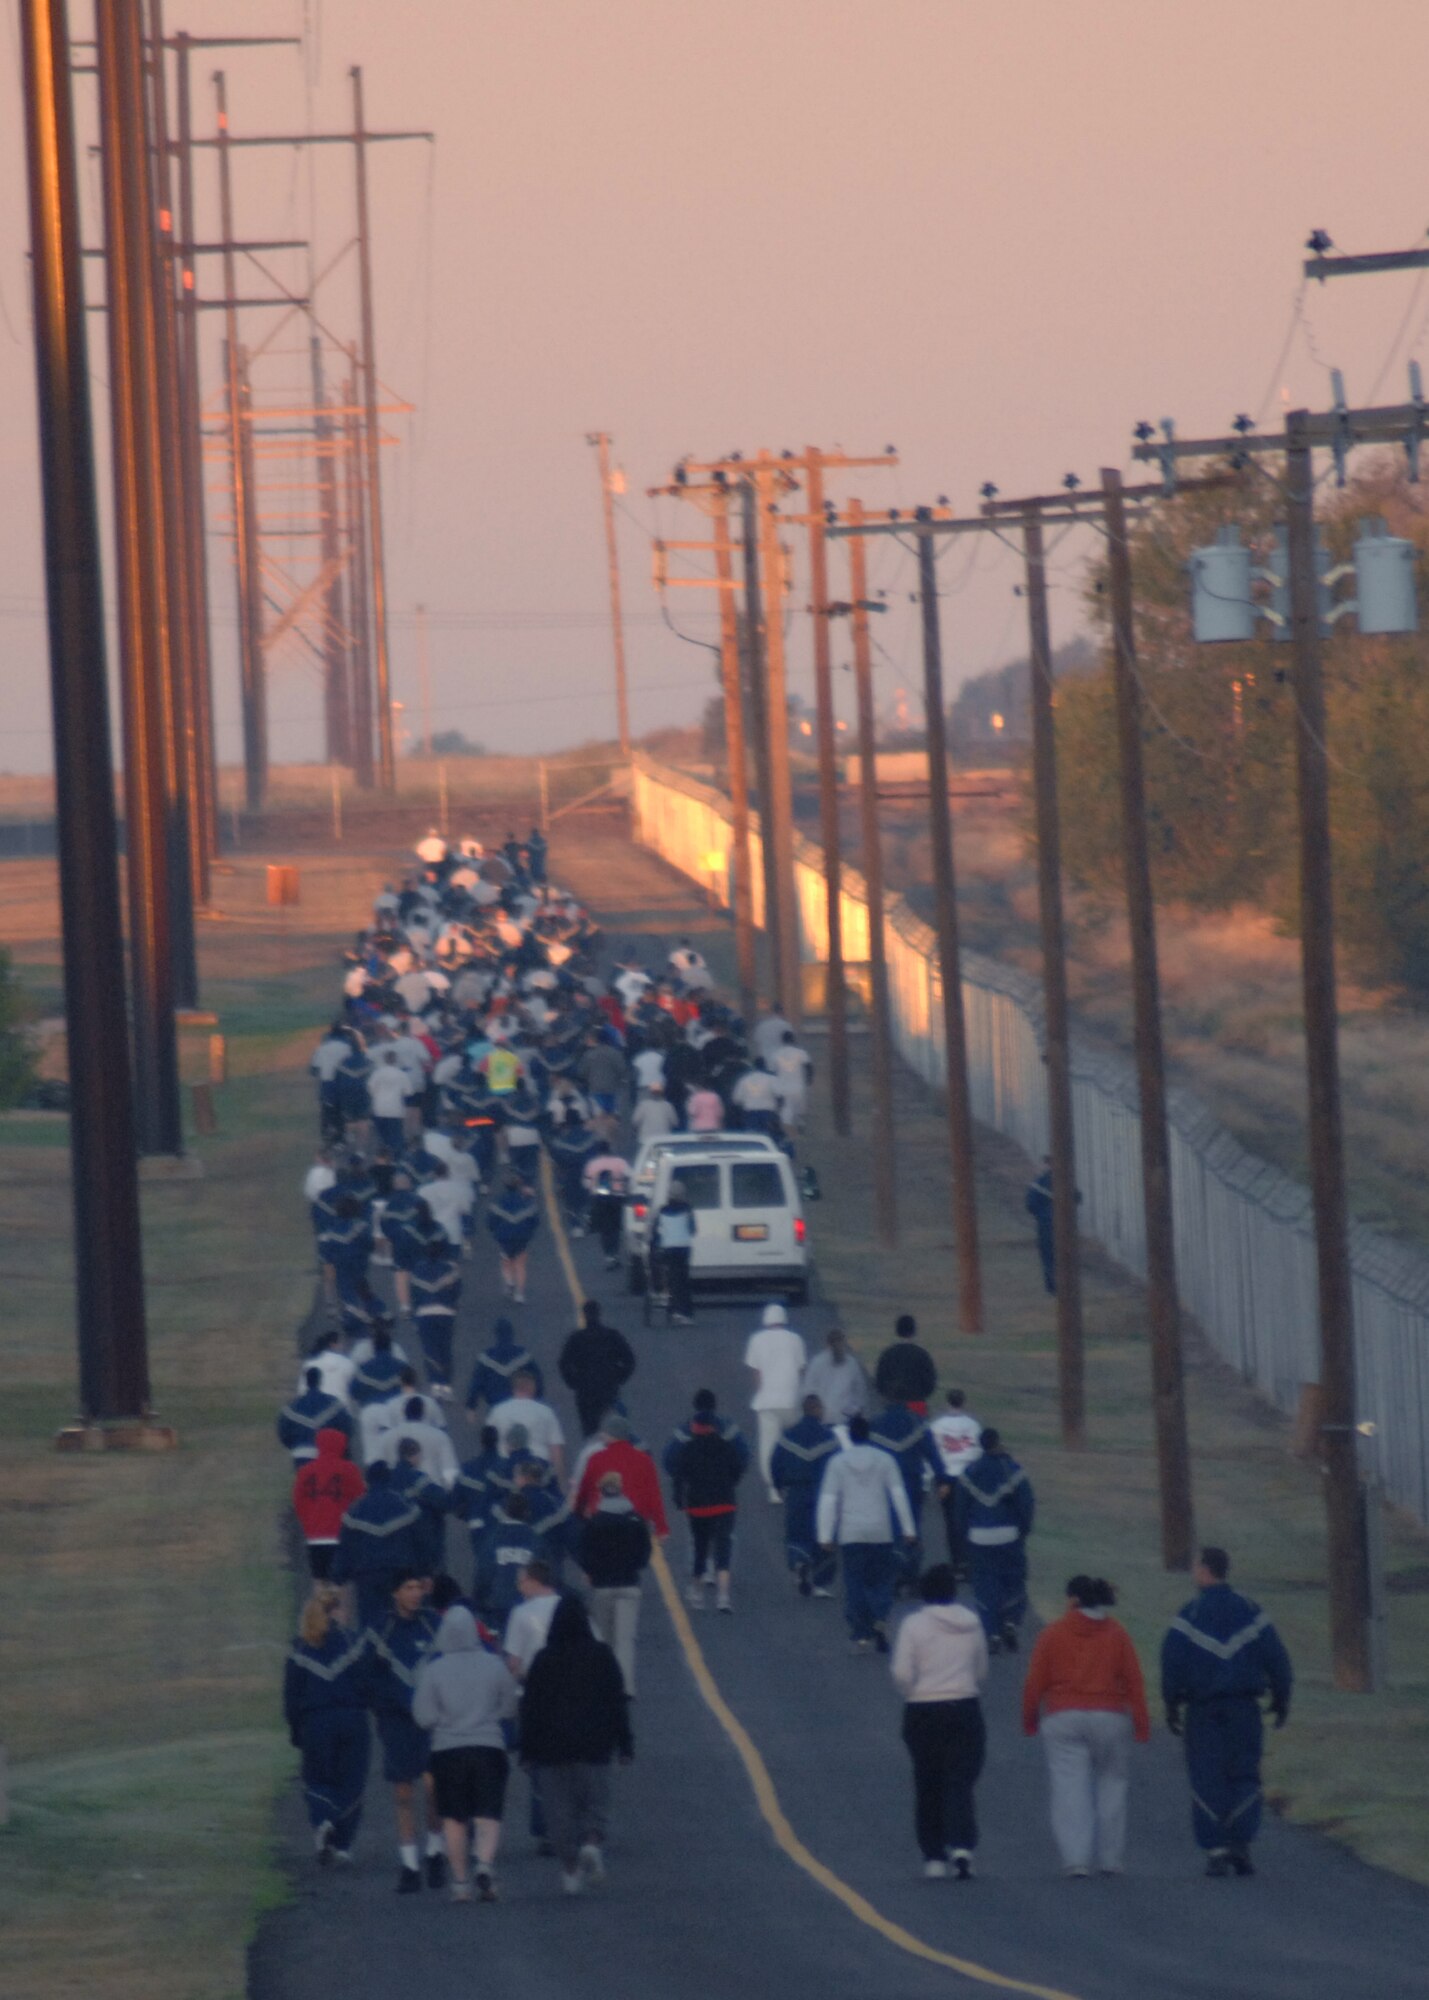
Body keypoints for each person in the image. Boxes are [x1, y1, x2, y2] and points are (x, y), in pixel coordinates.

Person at [1161, 1546, 1292, 1878]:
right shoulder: (1251, 1611)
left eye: (1195, 1566)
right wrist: (1282, 1697)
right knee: (1245, 1774)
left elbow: (1172, 1662)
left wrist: (1171, 1703)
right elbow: (1277, 1658)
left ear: (1205, 1570)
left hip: (1204, 1710)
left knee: (1207, 1776)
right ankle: (1240, 1843)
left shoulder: (1189, 1614)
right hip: (1244, 1708)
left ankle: (1216, 1848)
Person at [1022, 1575, 1151, 1879]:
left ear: (1073, 1601)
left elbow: (1035, 1682)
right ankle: (1110, 1858)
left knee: (1070, 1787)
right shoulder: (1117, 1634)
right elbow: (1134, 1680)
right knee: (1112, 1785)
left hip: (1063, 1716)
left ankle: (1076, 1858)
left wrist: (1030, 1718)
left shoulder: (1053, 1634)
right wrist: (1141, 1724)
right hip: (1109, 1716)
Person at [519, 1596, 634, 1895]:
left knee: (559, 1812)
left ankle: (569, 1869)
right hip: (595, 1746)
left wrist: (527, 1750)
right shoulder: (602, 1655)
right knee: (595, 1803)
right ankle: (592, 1843)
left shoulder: (543, 1660)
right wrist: (625, 1744)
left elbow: (531, 1708)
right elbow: (616, 1701)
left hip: (551, 1750)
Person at [412, 1604, 520, 1902]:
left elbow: (422, 1716)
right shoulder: (494, 1664)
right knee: (488, 1814)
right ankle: (484, 1864)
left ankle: (460, 1883)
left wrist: (444, 1722)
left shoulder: (434, 1670)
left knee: (454, 1819)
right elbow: (510, 1706)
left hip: (447, 1751)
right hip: (488, 1747)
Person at [891, 1564, 989, 1880]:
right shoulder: (972, 1624)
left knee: (928, 1781)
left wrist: (913, 1692)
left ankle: (933, 1856)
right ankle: (962, 1845)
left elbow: (902, 1672)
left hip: (923, 1710)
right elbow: (981, 1668)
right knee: (960, 1779)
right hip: (964, 1706)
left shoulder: (913, 1625)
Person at [366, 1572, 448, 1893]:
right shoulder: (380, 1629)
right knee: (402, 1794)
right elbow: (368, 1675)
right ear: (395, 1593)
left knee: (433, 1790)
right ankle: (409, 1864)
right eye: (408, 1588)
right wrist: (383, 1706)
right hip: (397, 1723)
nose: (415, 1594)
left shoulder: (434, 1625)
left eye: (418, 1588)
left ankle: (435, 1851)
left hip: (432, 1722)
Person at [283, 1584, 370, 1867]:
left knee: (317, 1780)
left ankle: (323, 1821)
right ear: (336, 1611)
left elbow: (291, 1697)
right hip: (352, 1720)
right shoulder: (353, 1641)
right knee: (351, 1782)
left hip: (315, 1723)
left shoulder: (298, 1649)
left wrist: (296, 1731)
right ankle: (343, 1845)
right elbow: (365, 1683)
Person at [816, 1412, 916, 1652]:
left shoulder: (838, 1462)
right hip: (880, 1531)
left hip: (851, 1533)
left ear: (849, 1436)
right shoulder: (885, 1460)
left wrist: (825, 1535)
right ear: (869, 1435)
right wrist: (908, 1529)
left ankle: (860, 1632)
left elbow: (829, 1499)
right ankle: (880, 1617)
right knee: (881, 1581)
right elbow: (898, 1495)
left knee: (855, 1582)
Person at [955, 1429, 1035, 1654]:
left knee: (984, 1585)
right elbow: (1026, 1503)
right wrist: (1023, 1530)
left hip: (978, 1537)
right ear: (998, 1443)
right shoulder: (1013, 1470)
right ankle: (1011, 1620)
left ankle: (992, 1633)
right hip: (1009, 1534)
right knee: (1013, 1580)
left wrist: (964, 1536)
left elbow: (960, 1510)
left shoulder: (969, 1473)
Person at [667, 1388, 747, 1612]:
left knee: (700, 1546)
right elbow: (740, 1464)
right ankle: (723, 1597)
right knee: (724, 1544)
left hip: (698, 1505)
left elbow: (675, 1468)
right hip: (725, 1501)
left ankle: (697, 1593)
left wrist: (679, 1498)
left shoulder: (687, 1444)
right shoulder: (727, 1439)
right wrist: (730, 1484)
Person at [578, 1471, 653, 1694]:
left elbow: (585, 1554)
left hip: (602, 1587)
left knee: (603, 1640)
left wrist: (592, 1571)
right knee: (625, 1639)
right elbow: (645, 1552)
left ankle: (604, 1685)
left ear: (601, 1493)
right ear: (621, 1490)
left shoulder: (594, 1523)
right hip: (629, 1584)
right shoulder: (635, 1520)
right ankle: (626, 1686)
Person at [331, 1459, 424, 1631]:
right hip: (400, 1576)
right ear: (389, 1479)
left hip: (367, 1579)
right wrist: (425, 1573)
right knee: (401, 1624)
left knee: (370, 1627)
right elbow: (420, 1542)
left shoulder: (355, 1511)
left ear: (366, 1481)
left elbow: (345, 1550)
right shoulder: (406, 1507)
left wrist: (339, 1579)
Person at [770, 1396, 839, 1597]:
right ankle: (820, 1582)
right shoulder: (829, 1437)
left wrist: (778, 1485)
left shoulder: (788, 1436)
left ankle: (799, 1561)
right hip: (823, 1492)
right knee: (824, 1534)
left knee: (797, 1531)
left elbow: (776, 1462)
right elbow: (839, 1464)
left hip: (797, 1491)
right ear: (817, 1409)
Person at [743, 1303, 809, 1503]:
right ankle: (797, 1480)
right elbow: (801, 1369)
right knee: (795, 1442)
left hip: (767, 1402)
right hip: (792, 1400)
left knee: (769, 1445)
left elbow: (756, 1372)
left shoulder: (756, 1340)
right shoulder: (795, 1339)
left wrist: (762, 1391)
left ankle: (774, 1489)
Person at [574, 1414, 670, 1537]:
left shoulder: (596, 1459)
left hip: (603, 1521)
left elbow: (585, 1491)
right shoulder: (644, 1460)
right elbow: (654, 1495)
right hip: (636, 1523)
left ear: (610, 1435)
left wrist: (579, 1513)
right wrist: (661, 1527)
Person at [292, 1427, 366, 1579]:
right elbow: (361, 1500)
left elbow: (298, 1501)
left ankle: (320, 1602)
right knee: (342, 1582)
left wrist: (308, 1523)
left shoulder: (305, 1471)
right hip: (342, 1535)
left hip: (315, 1536)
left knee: (320, 1580)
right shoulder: (349, 1469)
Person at [559, 1299, 637, 1438]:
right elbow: (629, 1360)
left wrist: (573, 1382)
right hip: (609, 1389)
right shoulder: (612, 1336)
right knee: (610, 1427)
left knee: (589, 1430)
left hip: (585, 1391)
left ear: (583, 1315)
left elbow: (564, 1364)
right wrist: (619, 1378)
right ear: (599, 1314)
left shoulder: (576, 1338)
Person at [930, 1389, 982, 1572]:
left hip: (947, 1478)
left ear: (947, 1402)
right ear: (963, 1402)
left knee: (950, 1521)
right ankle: (969, 1560)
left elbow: (933, 1454)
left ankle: (956, 1561)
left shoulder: (937, 1426)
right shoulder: (973, 1425)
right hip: (968, 1477)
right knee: (968, 1519)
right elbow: (978, 1452)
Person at [487, 1370, 567, 1484]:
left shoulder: (497, 1411)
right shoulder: (546, 1412)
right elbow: (556, 1450)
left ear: (514, 1388)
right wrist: (560, 1480)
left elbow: (489, 1442)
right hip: (539, 1469)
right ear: (532, 1387)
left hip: (505, 1468)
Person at [465, 1317, 544, 1419]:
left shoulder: (486, 1357)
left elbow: (476, 1383)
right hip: (520, 1405)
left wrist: (471, 1406)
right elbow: (537, 1378)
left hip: (495, 1407)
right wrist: (538, 1399)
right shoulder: (523, 1355)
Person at [278, 1366, 355, 1466]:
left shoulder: (292, 1407)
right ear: (320, 1380)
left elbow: (283, 1431)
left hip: (301, 1454)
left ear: (306, 1381)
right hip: (329, 1454)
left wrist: (295, 1446)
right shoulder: (334, 1404)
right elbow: (346, 1427)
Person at [486, 1170, 539, 1303]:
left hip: (504, 1238)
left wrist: (495, 1232)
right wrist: (529, 1233)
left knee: (506, 1262)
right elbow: (535, 1220)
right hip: (522, 1237)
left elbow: (490, 1222)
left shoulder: (498, 1202)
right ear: (518, 1185)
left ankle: (510, 1283)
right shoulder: (526, 1202)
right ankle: (520, 1293)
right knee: (520, 1264)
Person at [801, 1327, 871, 1427]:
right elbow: (860, 1394)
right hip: (828, 1420)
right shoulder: (818, 1363)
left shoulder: (851, 1364)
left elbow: (860, 1393)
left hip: (839, 1419)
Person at [651, 1179, 696, 1323]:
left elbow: (656, 1232)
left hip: (666, 1250)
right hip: (683, 1250)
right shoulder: (687, 1209)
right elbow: (693, 1229)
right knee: (682, 1280)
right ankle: (682, 1311)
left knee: (670, 1277)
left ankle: (664, 1297)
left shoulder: (662, 1210)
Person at [874, 1313, 937, 1414]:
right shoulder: (922, 1355)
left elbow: (879, 1382)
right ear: (913, 1331)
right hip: (917, 1405)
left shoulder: (888, 1354)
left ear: (897, 1331)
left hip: (892, 1403)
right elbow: (930, 1383)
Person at [770, 1030, 814, 1134]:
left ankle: (787, 1129)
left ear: (782, 1040)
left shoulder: (776, 1054)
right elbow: (809, 1067)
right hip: (798, 1086)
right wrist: (809, 1080)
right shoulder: (800, 1053)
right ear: (793, 1039)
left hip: (782, 1086)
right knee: (799, 1109)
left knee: (786, 1109)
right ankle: (800, 1124)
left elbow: (772, 1072)